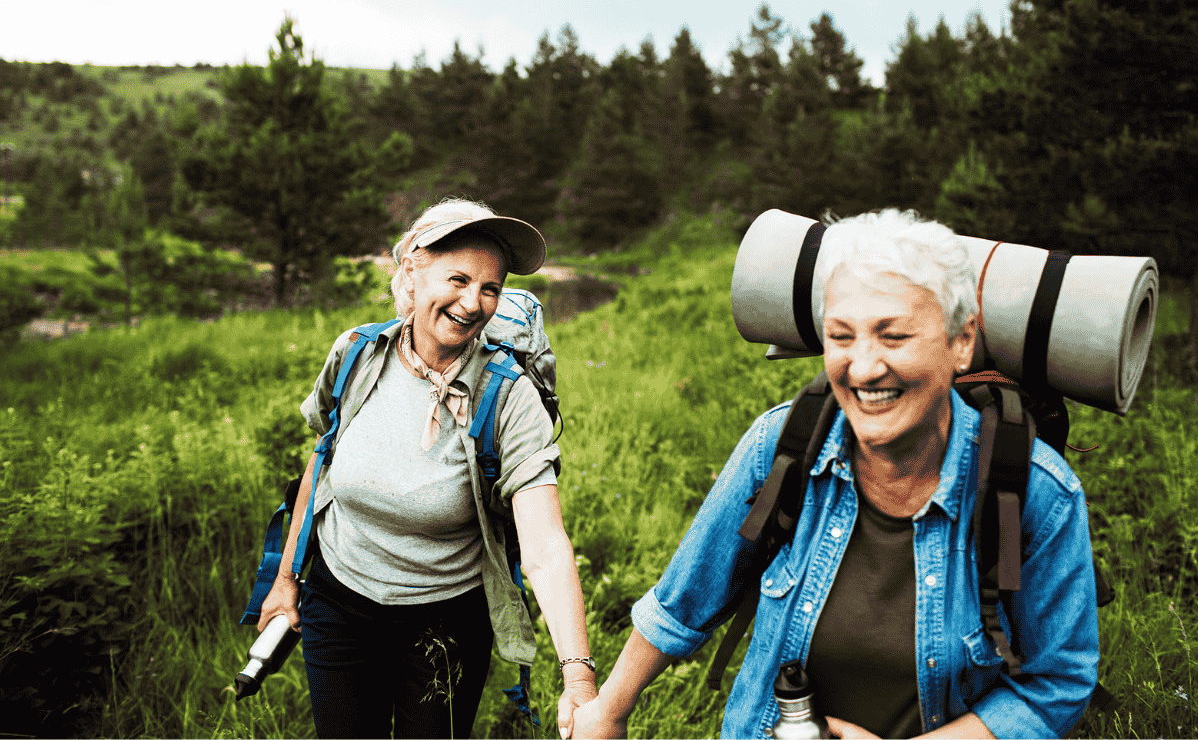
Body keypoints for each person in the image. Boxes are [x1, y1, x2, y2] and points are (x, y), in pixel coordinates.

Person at [572, 209, 1099, 739]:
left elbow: (1056, 683)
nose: (864, 368)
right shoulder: (781, 446)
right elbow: (686, 597)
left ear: (960, 342)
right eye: (842, 337)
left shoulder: (1036, 492)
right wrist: (609, 710)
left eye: (893, 336)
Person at [257, 199, 596, 738]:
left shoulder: (508, 397)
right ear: (413, 271)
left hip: (445, 625)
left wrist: (577, 675)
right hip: (337, 605)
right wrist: (284, 581)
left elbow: (545, 542)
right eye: (458, 279)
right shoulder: (356, 354)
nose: (473, 302)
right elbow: (320, 466)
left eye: (490, 288)